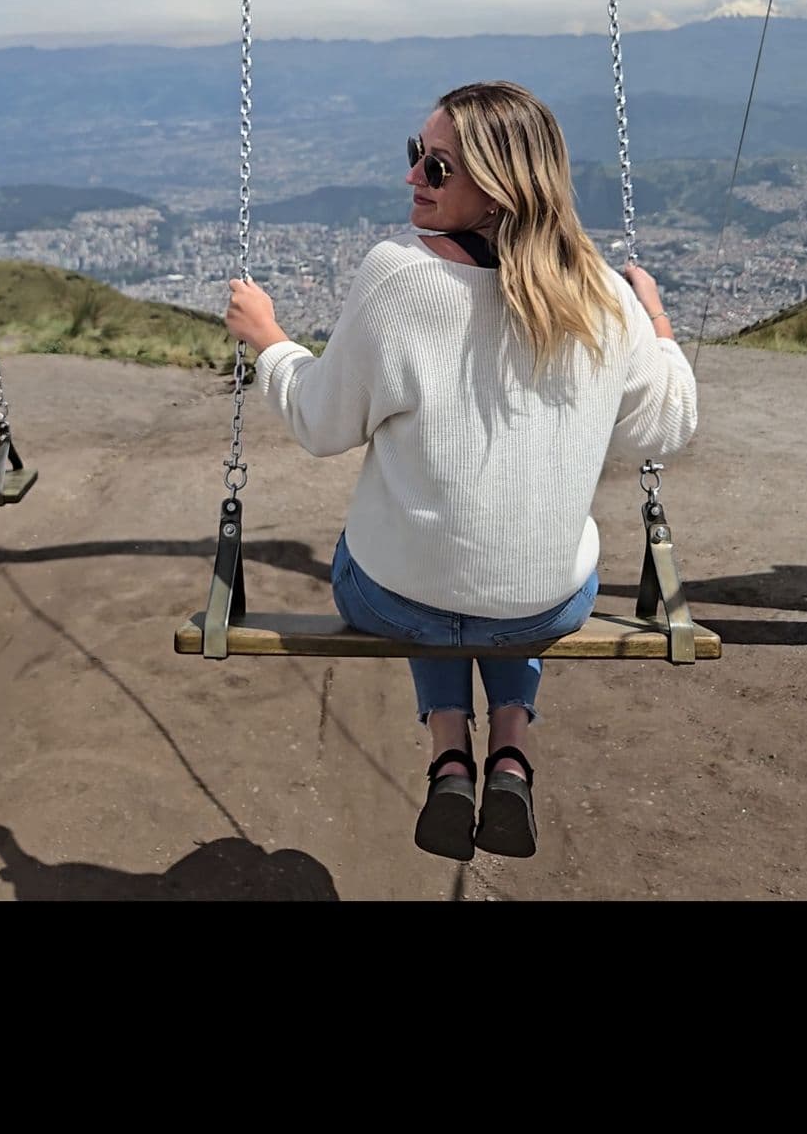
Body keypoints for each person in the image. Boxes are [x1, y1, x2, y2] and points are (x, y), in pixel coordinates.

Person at [225, 80, 697, 864]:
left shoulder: (400, 277)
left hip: (391, 602)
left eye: (437, 167)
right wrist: (655, 319)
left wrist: (269, 338)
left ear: (498, 188)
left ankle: (450, 753)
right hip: (541, 611)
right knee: (517, 567)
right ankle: (508, 748)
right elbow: (668, 421)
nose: (412, 177)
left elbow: (320, 423)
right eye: (417, 156)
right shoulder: (604, 298)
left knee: (418, 562)